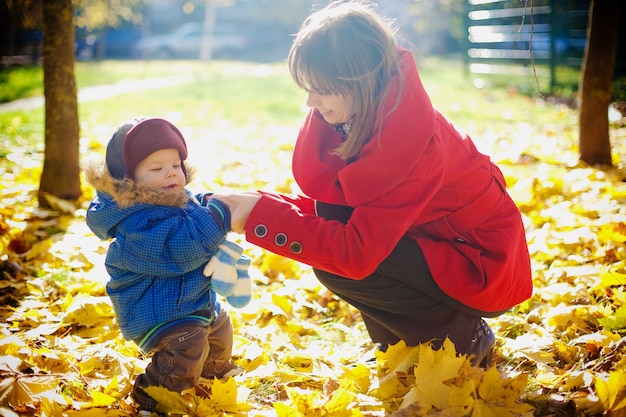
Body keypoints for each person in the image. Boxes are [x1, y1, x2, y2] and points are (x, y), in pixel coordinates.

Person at [213, 0, 533, 367]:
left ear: (359, 82)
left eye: (321, 88)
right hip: (432, 241)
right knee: (333, 224)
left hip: (477, 262)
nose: (310, 101)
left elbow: (356, 253)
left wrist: (260, 217)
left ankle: (463, 338)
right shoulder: (357, 116)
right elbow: (337, 205)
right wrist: (256, 203)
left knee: (339, 261)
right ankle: (403, 345)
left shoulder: (413, 143)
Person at [85, 117, 251, 414]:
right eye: (157, 168)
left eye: (175, 165)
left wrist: (210, 201)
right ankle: (153, 394)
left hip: (186, 300)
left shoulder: (170, 197)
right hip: (154, 308)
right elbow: (181, 249)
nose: (171, 174)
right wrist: (218, 218)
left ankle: (213, 370)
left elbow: (192, 206)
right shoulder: (136, 221)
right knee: (187, 347)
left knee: (220, 325)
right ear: (129, 180)